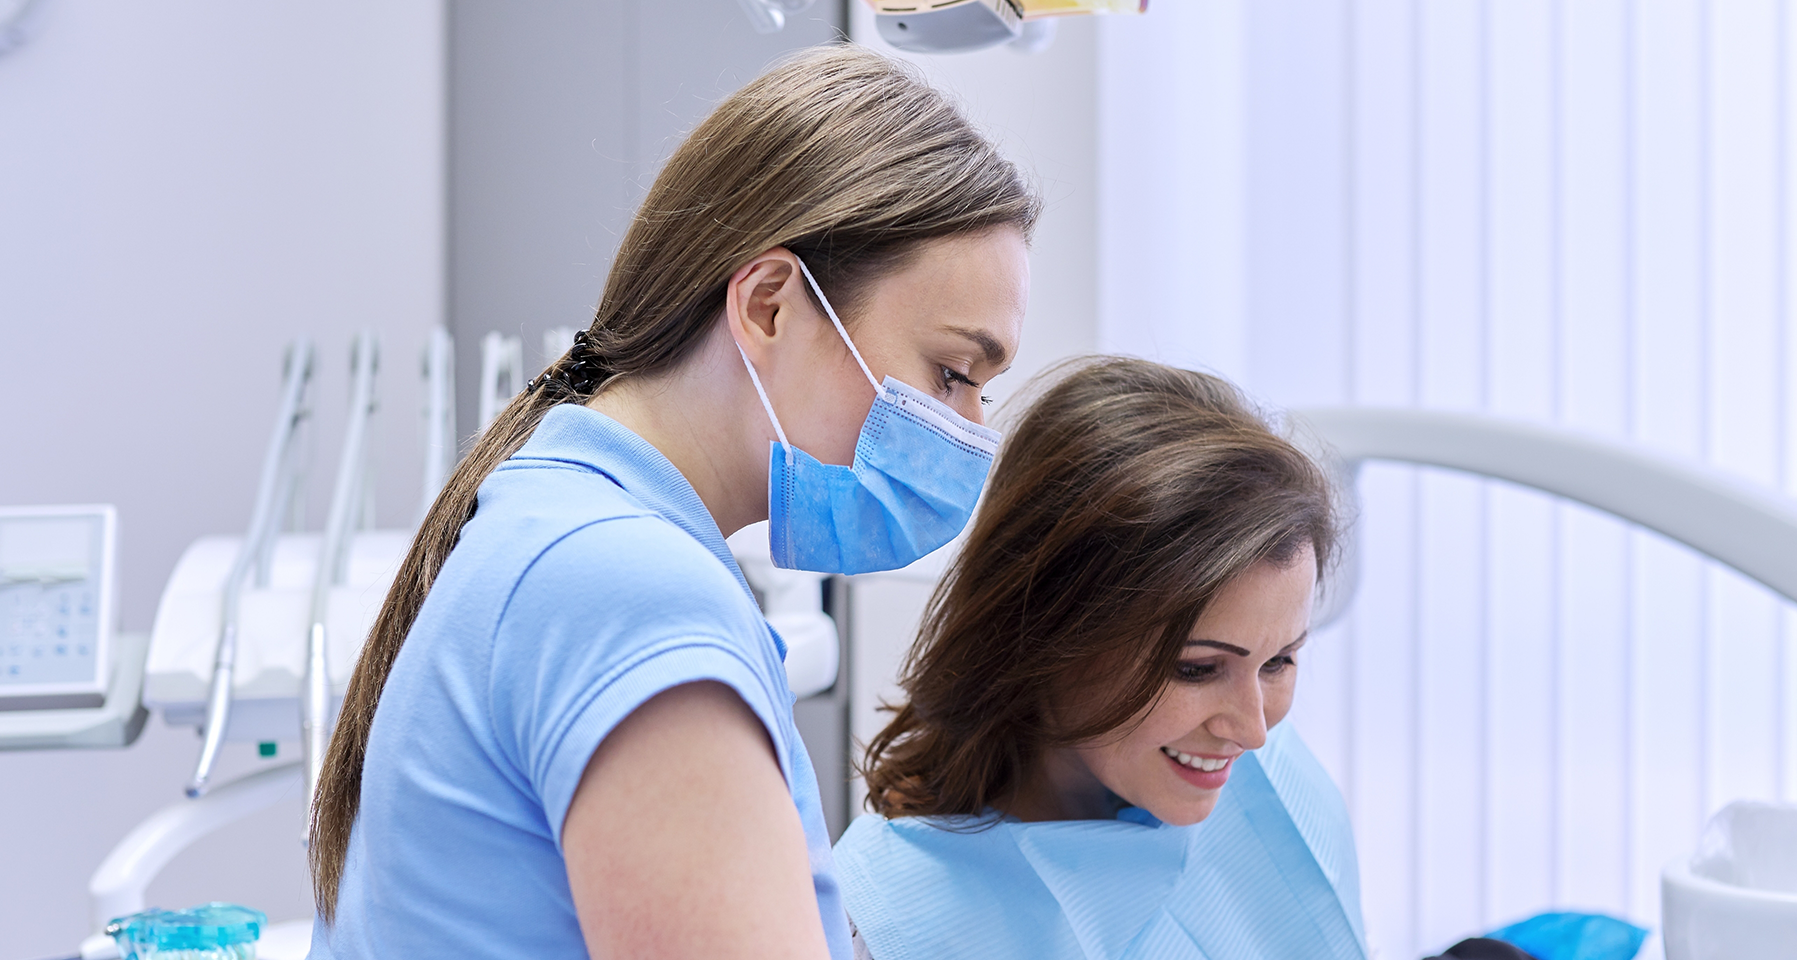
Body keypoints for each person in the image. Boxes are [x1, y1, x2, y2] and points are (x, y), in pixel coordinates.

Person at [306, 45, 1039, 960]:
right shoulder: (631, 591)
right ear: (771, 305)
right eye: (952, 374)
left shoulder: (564, 522)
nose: (970, 433)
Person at [834, 357, 1365, 960]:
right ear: (1049, 631)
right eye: (1196, 668)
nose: (1253, 730)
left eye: (1279, 662)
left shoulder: (1272, 787)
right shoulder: (887, 920)